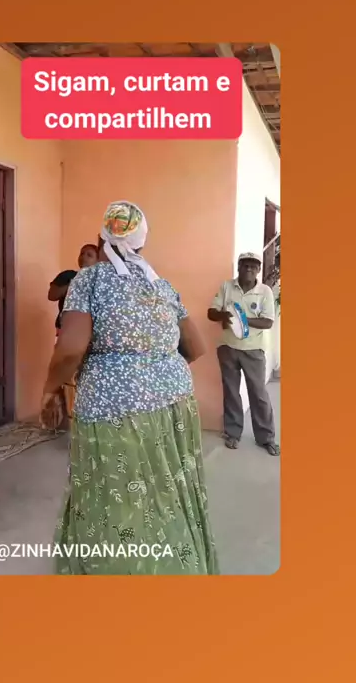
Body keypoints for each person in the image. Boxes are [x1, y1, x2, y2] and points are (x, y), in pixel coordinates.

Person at [41, 201, 219, 575]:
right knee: (165, 492)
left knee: (115, 496)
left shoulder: (89, 280)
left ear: (100, 240)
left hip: (111, 410)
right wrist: (153, 372)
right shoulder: (161, 285)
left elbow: (70, 349)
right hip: (175, 404)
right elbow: (196, 347)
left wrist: (49, 391)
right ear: (141, 243)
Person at [207, 252, 280, 456]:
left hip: (253, 350)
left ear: (258, 270)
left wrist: (241, 319)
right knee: (231, 391)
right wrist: (224, 315)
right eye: (245, 265)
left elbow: (267, 321)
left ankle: (266, 438)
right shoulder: (226, 287)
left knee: (258, 394)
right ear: (239, 267)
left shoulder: (264, 291)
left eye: (253, 266)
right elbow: (211, 312)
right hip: (227, 347)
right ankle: (233, 433)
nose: (249, 269)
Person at [46, 244, 98, 423]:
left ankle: (84, 417)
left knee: (86, 378)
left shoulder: (100, 281)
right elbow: (52, 295)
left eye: (89, 255)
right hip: (66, 333)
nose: (84, 257)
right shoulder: (68, 276)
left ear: (97, 261)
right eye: (82, 253)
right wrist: (74, 283)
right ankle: (63, 418)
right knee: (65, 376)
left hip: (91, 336)